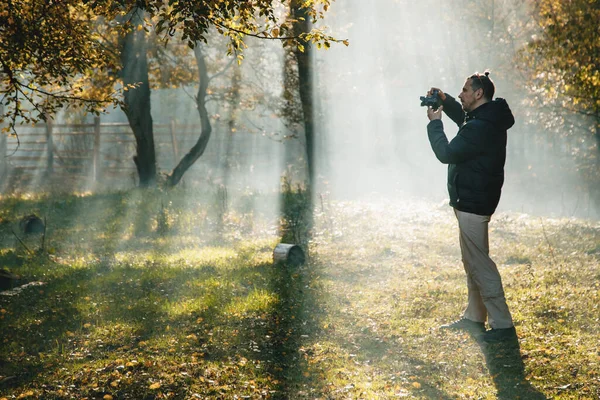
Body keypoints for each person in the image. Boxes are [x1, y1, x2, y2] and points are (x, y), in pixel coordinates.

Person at [425, 71, 517, 343]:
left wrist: (435, 124)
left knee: (480, 265)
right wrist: (447, 100)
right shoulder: (485, 117)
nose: (462, 93)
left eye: (465, 90)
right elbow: (465, 118)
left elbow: (447, 153)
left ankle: (502, 327)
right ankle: (475, 318)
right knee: (473, 262)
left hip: (473, 203)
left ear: (479, 94)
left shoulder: (481, 126)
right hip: (472, 200)